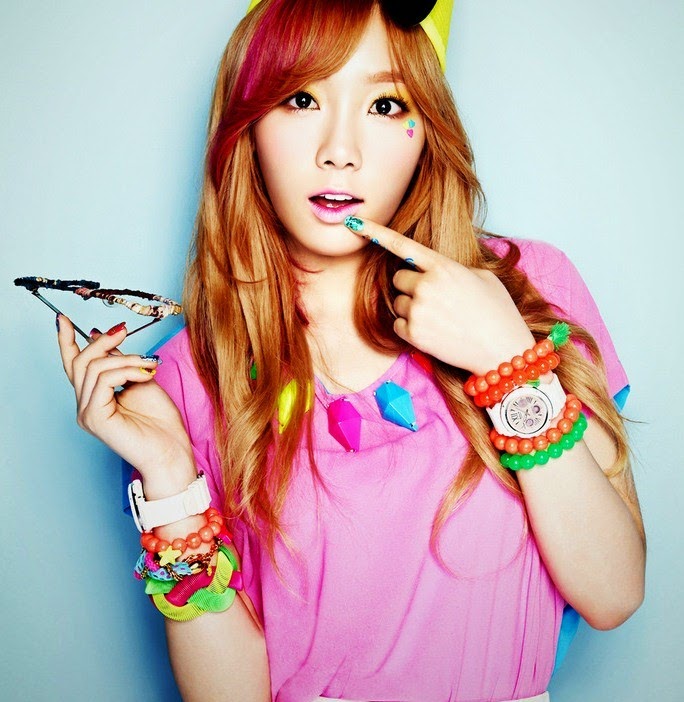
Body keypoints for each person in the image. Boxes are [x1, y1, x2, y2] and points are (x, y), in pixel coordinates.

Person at [55, 1, 645, 700]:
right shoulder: (186, 378)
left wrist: (507, 362)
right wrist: (169, 477)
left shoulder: (527, 292)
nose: (340, 150)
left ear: (427, 131)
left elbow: (614, 593)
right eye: (302, 99)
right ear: (249, 125)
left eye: (385, 104)